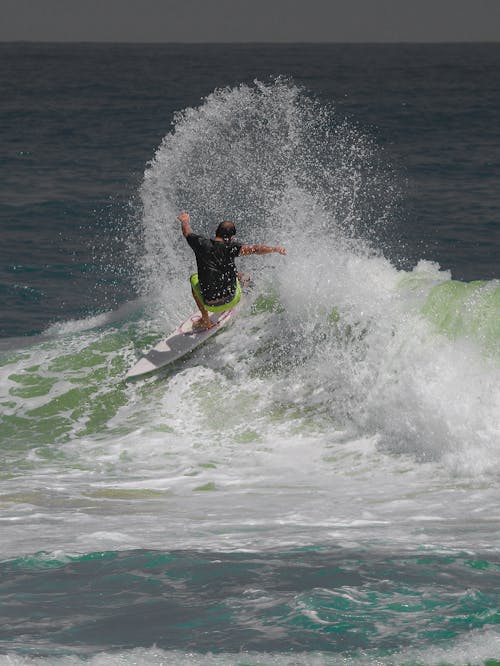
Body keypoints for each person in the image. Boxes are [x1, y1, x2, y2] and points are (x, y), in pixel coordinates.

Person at [178, 211, 286, 330]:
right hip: (231, 298)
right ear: (231, 237)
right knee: (241, 276)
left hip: (209, 303)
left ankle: (205, 320)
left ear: (216, 232)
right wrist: (275, 249)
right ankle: (248, 292)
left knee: (194, 279)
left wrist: (184, 220)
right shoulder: (232, 248)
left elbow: (186, 232)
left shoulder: (200, 243)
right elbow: (256, 249)